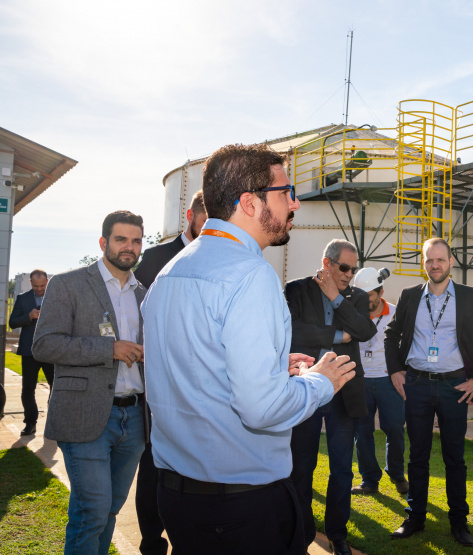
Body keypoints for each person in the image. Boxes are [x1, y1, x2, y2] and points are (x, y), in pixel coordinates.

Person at [142, 143, 356, 555]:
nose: (294, 202)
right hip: (240, 509)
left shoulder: (171, 272)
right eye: (285, 192)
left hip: (180, 500)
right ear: (249, 203)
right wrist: (320, 383)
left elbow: (194, 368)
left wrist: (274, 366)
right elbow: (262, 409)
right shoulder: (249, 275)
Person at [32, 210, 148, 555]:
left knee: (109, 509)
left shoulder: (145, 293)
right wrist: (108, 348)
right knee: (92, 510)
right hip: (85, 416)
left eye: (136, 240)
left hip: (135, 420)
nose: (129, 247)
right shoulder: (68, 284)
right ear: (103, 242)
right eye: (121, 239)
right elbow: (44, 344)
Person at [385, 237, 473, 547]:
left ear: (451, 261)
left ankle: (459, 522)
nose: (435, 265)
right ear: (424, 263)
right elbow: (392, 335)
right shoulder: (410, 295)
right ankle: (414, 517)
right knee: (417, 456)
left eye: (440, 259)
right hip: (416, 383)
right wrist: (395, 370)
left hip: (454, 386)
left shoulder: (471, 297)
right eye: (429, 260)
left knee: (454, 457)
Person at [284, 239, 375, 555]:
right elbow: (294, 331)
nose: (350, 274)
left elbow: (365, 331)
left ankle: (337, 535)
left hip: (343, 392)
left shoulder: (358, 297)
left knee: (341, 468)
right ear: (327, 263)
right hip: (305, 389)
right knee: (301, 465)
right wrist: (338, 335)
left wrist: (336, 298)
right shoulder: (296, 290)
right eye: (344, 267)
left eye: (353, 268)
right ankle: (302, 534)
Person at [131, 188, 206, 555]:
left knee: (192, 463)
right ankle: (150, 541)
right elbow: (139, 317)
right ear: (190, 216)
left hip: (202, 381)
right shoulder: (157, 257)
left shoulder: (219, 258)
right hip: (160, 379)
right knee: (154, 461)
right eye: (206, 219)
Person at [350, 266, 409, 496]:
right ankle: (369, 480)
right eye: (360, 296)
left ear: (380, 293)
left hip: (388, 380)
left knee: (394, 429)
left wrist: (402, 371)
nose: (365, 300)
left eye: (369, 296)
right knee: (362, 431)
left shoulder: (395, 313)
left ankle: (396, 474)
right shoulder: (353, 314)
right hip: (360, 380)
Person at [9, 269, 55, 437]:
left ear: (47, 282)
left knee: (56, 388)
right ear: (30, 283)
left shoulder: (55, 297)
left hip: (51, 351)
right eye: (36, 286)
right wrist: (28, 316)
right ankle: (30, 423)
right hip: (29, 351)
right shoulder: (22, 298)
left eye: (42, 285)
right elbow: (12, 322)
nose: (39, 289)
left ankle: (54, 421)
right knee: (28, 389)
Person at [134, 189, 206, 288]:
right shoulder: (155, 257)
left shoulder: (218, 261)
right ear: (190, 216)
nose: (212, 229)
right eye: (205, 221)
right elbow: (136, 298)